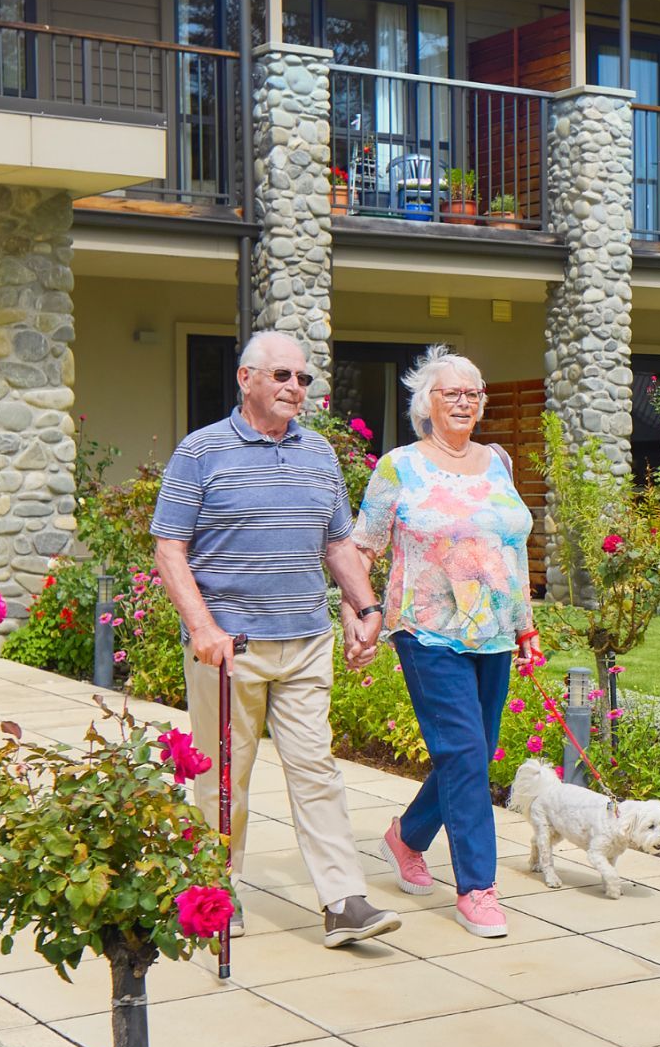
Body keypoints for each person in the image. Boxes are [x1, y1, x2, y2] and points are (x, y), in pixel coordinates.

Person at [151, 331, 400, 950]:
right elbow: (169, 548)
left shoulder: (319, 454)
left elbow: (338, 543)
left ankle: (343, 900)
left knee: (316, 769)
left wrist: (365, 604)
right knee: (223, 776)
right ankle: (216, 885)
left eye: (304, 379)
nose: (297, 388)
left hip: (306, 640)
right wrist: (203, 628)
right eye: (283, 376)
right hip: (229, 646)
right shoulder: (201, 452)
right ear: (246, 379)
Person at [353, 348, 542, 940]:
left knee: (475, 751)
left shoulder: (498, 463)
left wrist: (526, 626)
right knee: (462, 752)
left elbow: (512, 553)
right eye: (451, 393)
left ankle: (407, 837)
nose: (465, 401)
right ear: (425, 403)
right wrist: (362, 615)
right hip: (427, 629)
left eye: (473, 392)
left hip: (491, 633)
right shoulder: (399, 467)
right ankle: (477, 887)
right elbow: (362, 547)